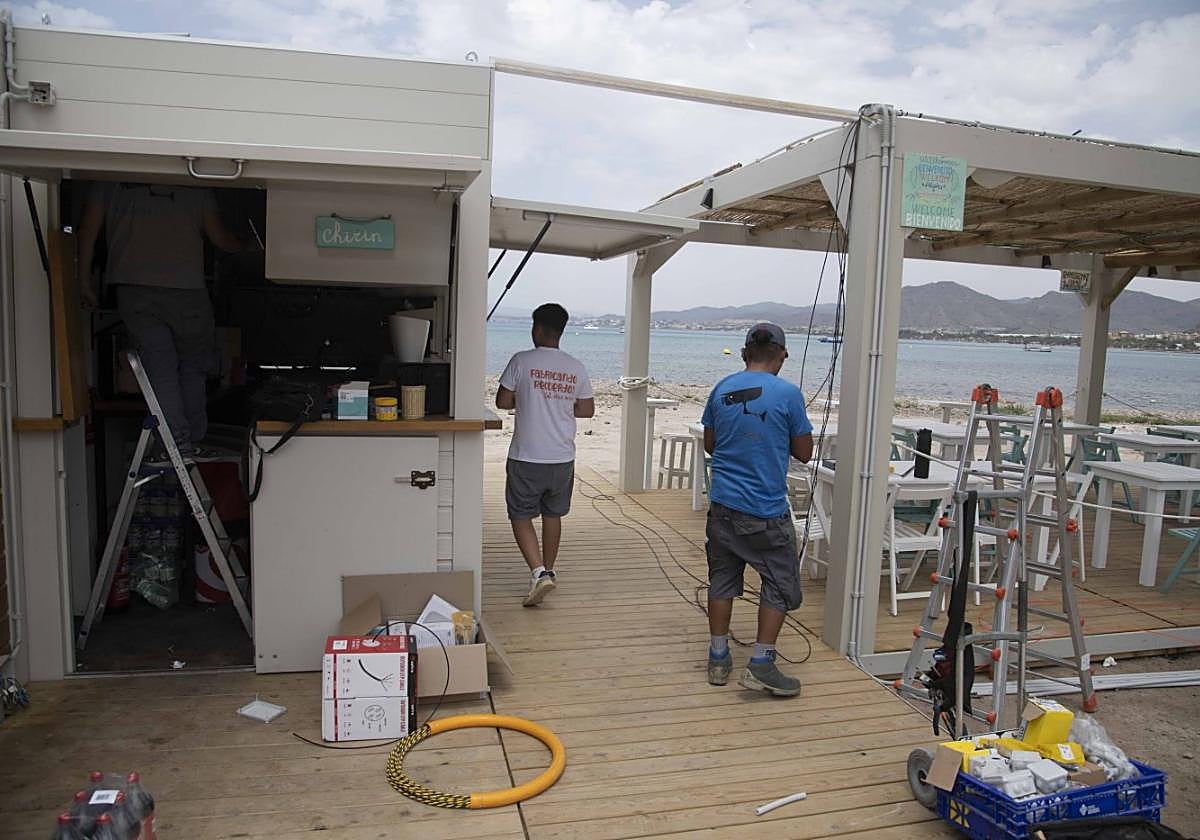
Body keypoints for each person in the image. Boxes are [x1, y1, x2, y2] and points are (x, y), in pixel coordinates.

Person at [78, 182, 242, 463]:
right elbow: (219, 237)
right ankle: (191, 441)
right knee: (192, 365)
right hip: (186, 289)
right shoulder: (196, 182)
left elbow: (87, 233)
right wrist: (252, 246)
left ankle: (176, 444)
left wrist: (82, 280)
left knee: (159, 368)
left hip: (133, 289)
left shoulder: (108, 179)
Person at [702, 322, 813, 696]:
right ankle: (762, 663)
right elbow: (804, 452)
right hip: (765, 511)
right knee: (780, 585)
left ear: (745, 352)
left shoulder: (721, 389)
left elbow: (711, 445)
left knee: (722, 580)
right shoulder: (788, 394)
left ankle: (719, 658)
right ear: (781, 354)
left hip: (722, 507)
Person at [496, 303, 595, 606]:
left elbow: (502, 401)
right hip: (562, 456)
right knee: (553, 514)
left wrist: (525, 398)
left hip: (527, 455)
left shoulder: (521, 360)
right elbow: (587, 409)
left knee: (521, 514)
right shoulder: (575, 366)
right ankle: (549, 570)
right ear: (561, 331)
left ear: (537, 329)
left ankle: (538, 571)